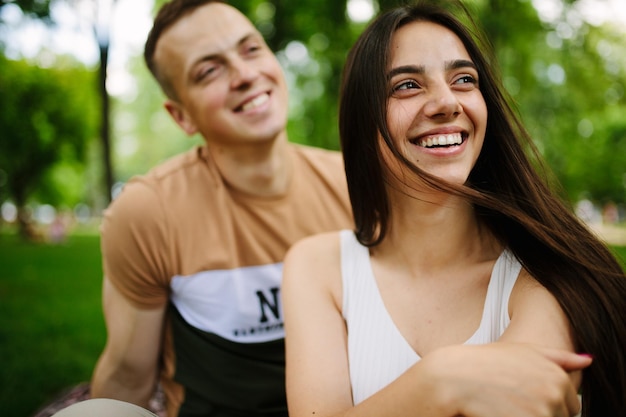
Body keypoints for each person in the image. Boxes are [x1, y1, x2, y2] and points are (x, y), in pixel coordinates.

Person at [282, 1, 626, 417]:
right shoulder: (318, 267)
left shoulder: (544, 271)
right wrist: (440, 379)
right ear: (363, 121)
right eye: (407, 85)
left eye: (464, 79)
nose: (447, 102)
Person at [82, 1, 354, 416]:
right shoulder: (147, 214)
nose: (245, 76)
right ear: (181, 116)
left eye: (251, 50)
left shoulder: (357, 185)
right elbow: (126, 379)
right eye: (209, 71)